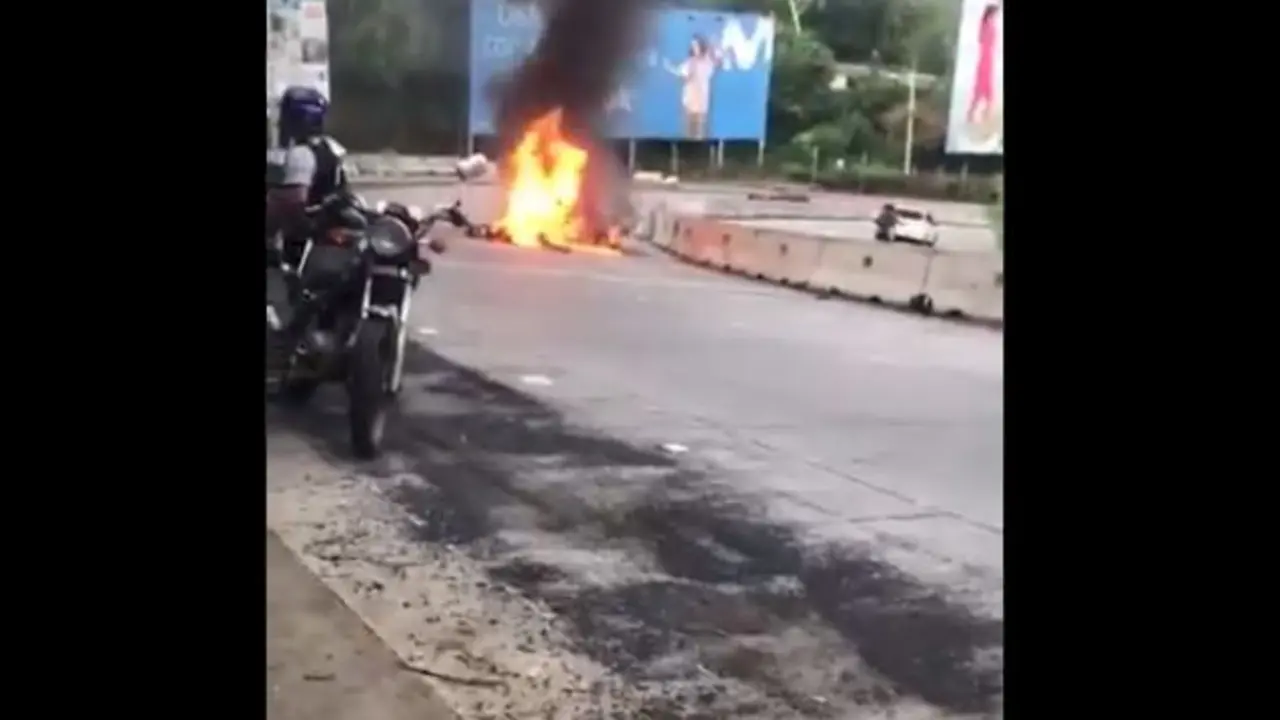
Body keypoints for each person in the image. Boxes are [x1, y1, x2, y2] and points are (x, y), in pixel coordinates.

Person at [265, 85, 356, 264]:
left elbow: (294, 202)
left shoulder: (300, 154)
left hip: (306, 240)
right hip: (329, 230)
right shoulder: (330, 147)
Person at [665, 35, 720, 140]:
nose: (695, 48)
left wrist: (713, 47)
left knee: (700, 136)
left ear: (701, 46)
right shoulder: (689, 62)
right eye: (692, 45)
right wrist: (670, 68)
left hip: (702, 105)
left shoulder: (708, 62)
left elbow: (717, 62)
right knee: (687, 135)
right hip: (688, 105)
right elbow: (683, 75)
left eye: (696, 45)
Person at [965, 3, 1000, 137]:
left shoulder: (985, 23)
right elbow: (985, 41)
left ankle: (980, 114)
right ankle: (982, 115)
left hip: (986, 58)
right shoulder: (988, 24)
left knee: (983, 90)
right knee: (984, 89)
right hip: (986, 59)